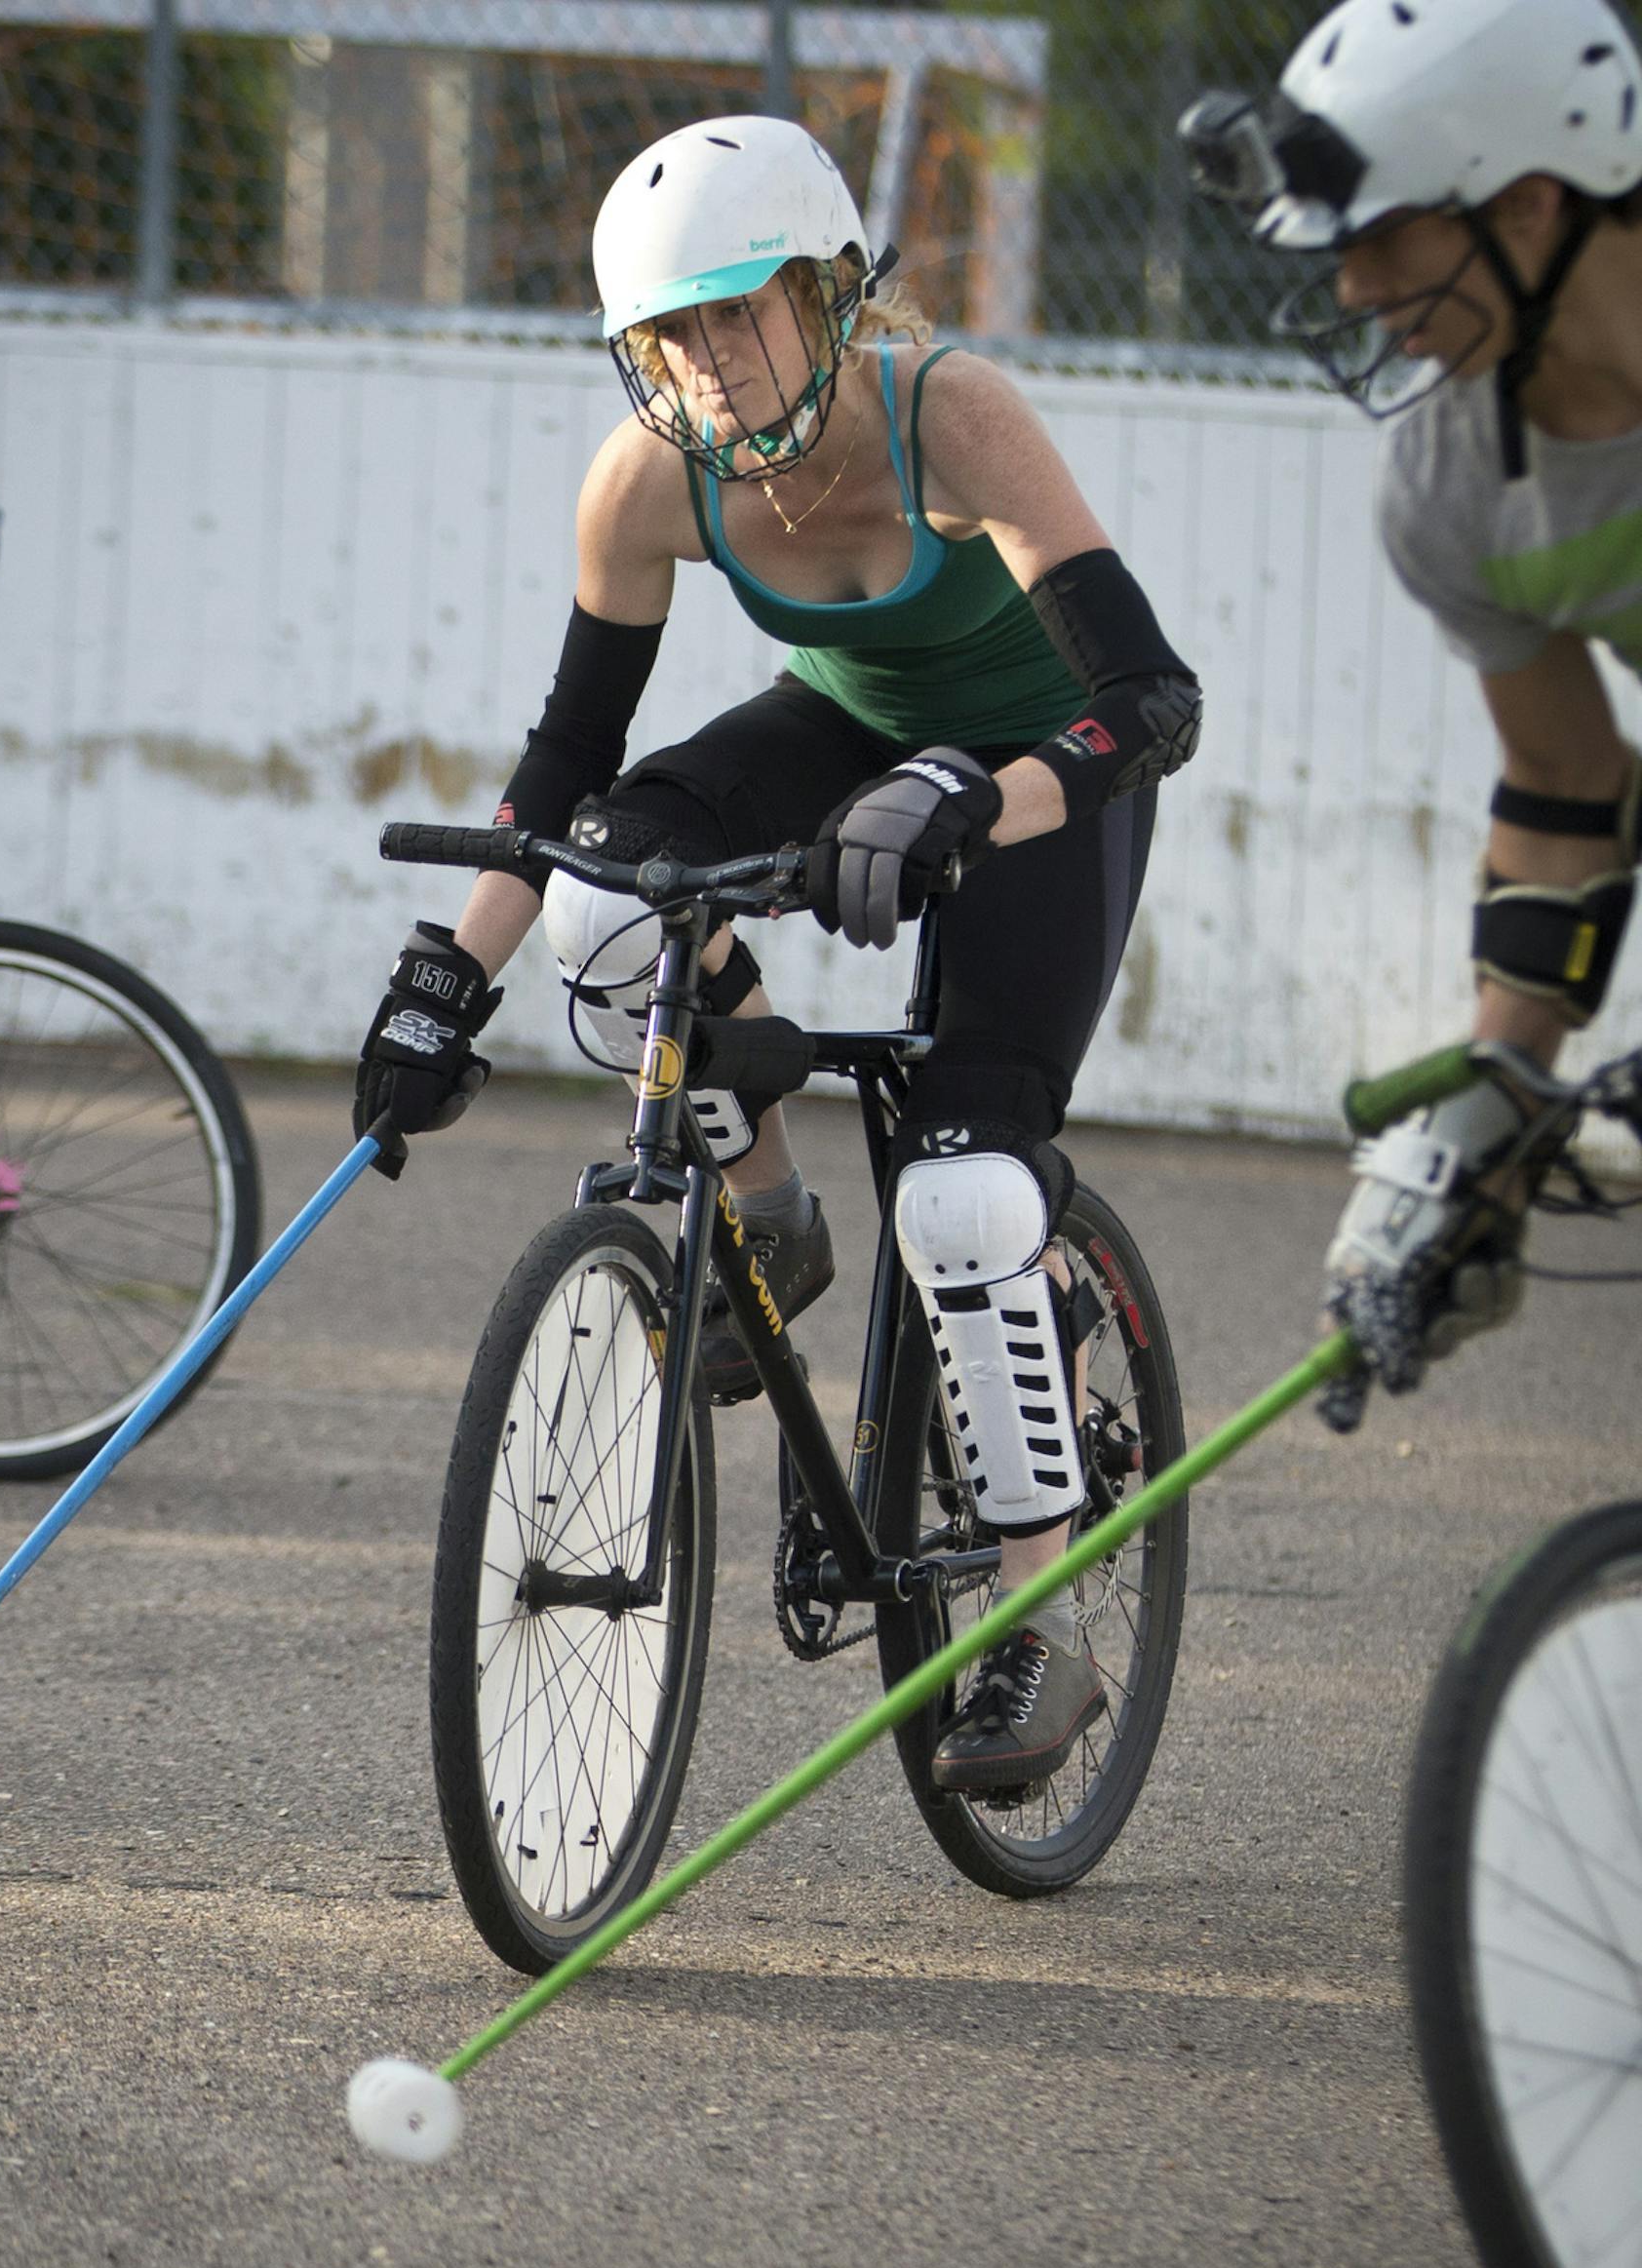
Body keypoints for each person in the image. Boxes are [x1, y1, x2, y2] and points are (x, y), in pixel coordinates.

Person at [352, 115, 1200, 1794]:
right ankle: (767, 1215)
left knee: (965, 1194)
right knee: (607, 902)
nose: (707, 362)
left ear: (828, 291)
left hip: (1042, 772)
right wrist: (447, 980)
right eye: (666, 335)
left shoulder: (946, 411)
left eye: (738, 313)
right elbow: (566, 759)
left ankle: (1044, 1628)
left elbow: (1150, 702)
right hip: (849, 731)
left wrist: (973, 792)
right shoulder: (650, 476)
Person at [1183, 0, 1642, 1412]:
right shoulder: (1450, 491)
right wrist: (1483, 1124)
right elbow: (1569, 792)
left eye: (1384, 238)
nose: (1351, 290)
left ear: (1533, 203)